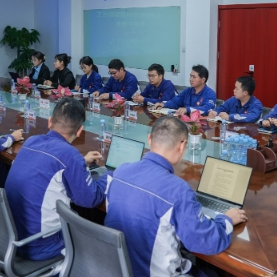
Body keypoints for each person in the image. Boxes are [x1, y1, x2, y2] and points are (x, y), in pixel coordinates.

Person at [105, 116, 247, 276]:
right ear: (182, 145)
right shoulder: (178, 190)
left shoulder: (120, 171)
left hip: (117, 269)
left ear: (149, 139)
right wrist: (226, 220)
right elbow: (206, 242)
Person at [5, 98, 106, 261]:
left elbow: (51, 162)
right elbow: (90, 199)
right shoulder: (70, 156)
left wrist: (80, 162)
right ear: (79, 130)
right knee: (100, 241)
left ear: (50, 121)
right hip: (41, 245)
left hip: (10, 234)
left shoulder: (31, 141)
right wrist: (108, 177)